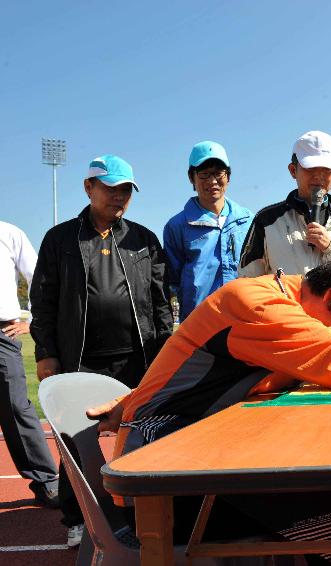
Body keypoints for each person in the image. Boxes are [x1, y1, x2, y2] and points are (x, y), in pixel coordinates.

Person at [90, 257, 331, 565]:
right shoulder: (259, 305)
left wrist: (133, 397)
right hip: (160, 487)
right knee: (313, 495)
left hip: (184, 458)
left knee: (323, 483)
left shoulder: (280, 296)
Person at [30, 154, 172, 547]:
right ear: (88, 188)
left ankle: (139, 513)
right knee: (77, 441)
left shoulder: (143, 238)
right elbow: (43, 300)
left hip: (137, 357)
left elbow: (160, 301)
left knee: (142, 433)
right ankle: (77, 518)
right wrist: (46, 352)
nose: (118, 196)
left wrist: (163, 352)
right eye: (110, 188)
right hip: (81, 358)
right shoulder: (59, 238)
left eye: (125, 189)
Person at [239, 131, 331, 277]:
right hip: (282, 300)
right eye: (310, 168)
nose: (319, 176)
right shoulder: (267, 219)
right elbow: (247, 279)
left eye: (326, 170)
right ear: (293, 170)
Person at [0, 221, 59, 510]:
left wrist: (33, 321)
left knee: (14, 405)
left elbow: (40, 279)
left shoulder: (9, 233)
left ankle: (47, 482)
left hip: (3, 332)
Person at [163, 141, 254, 322]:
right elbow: (171, 283)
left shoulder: (248, 220)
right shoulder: (176, 226)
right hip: (200, 324)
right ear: (192, 178)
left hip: (244, 320)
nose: (212, 181)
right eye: (204, 174)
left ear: (228, 176)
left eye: (218, 173)